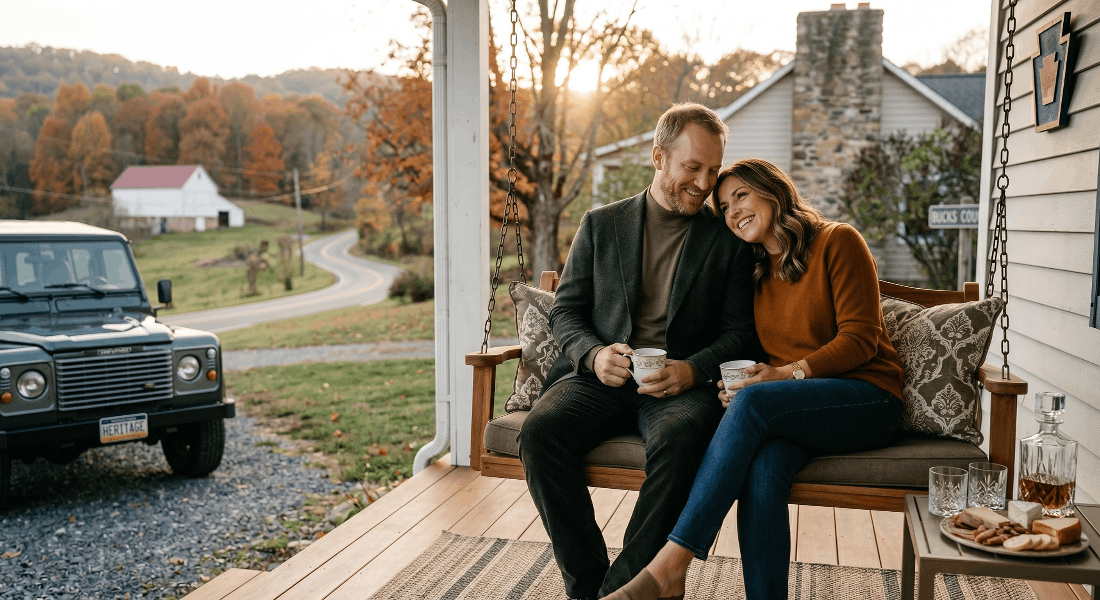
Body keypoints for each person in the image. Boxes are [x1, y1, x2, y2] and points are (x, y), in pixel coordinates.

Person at [605, 158, 906, 600]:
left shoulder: (838, 241)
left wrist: (782, 378)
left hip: (868, 399)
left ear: (773, 191)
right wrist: (740, 384)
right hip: (795, 409)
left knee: (757, 404)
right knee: (763, 472)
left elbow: (861, 338)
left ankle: (671, 566)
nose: (733, 212)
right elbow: (756, 353)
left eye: (741, 196)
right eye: (724, 207)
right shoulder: (757, 271)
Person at [519, 103, 761, 600]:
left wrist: (691, 372)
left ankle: (626, 589)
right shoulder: (601, 223)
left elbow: (741, 333)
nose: (703, 182)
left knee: (684, 440)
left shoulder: (729, 240)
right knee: (540, 435)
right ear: (659, 157)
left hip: (678, 388)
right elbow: (565, 312)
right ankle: (591, 587)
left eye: (712, 170)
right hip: (599, 379)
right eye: (692, 167)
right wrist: (593, 356)